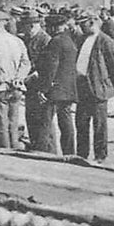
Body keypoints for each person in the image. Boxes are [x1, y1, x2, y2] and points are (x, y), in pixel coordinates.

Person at [74, 12, 114, 163]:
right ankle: (82, 153)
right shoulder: (81, 39)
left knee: (99, 124)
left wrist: (108, 86)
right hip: (82, 87)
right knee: (81, 122)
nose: (82, 27)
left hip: (98, 88)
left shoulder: (105, 41)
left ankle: (100, 155)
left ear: (93, 22)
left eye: (84, 24)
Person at [0, 10, 31, 149]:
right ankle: (14, 148)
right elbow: (26, 62)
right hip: (16, 87)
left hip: (0, 87)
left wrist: (3, 78)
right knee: (13, 122)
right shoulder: (17, 41)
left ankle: (4, 151)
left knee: (0, 123)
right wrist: (18, 78)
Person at [35, 13, 78, 155]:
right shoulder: (69, 41)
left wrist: (44, 89)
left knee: (45, 121)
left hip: (54, 89)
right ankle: (69, 152)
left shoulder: (55, 42)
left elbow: (51, 68)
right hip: (68, 88)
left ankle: (43, 151)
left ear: (53, 27)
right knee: (66, 122)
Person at [18, 10, 51, 150]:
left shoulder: (45, 40)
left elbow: (49, 65)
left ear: (31, 25)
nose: (22, 29)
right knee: (30, 116)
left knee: (43, 120)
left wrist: (34, 75)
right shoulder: (26, 38)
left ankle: (45, 150)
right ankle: (35, 145)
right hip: (29, 85)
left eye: (24, 26)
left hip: (41, 84)